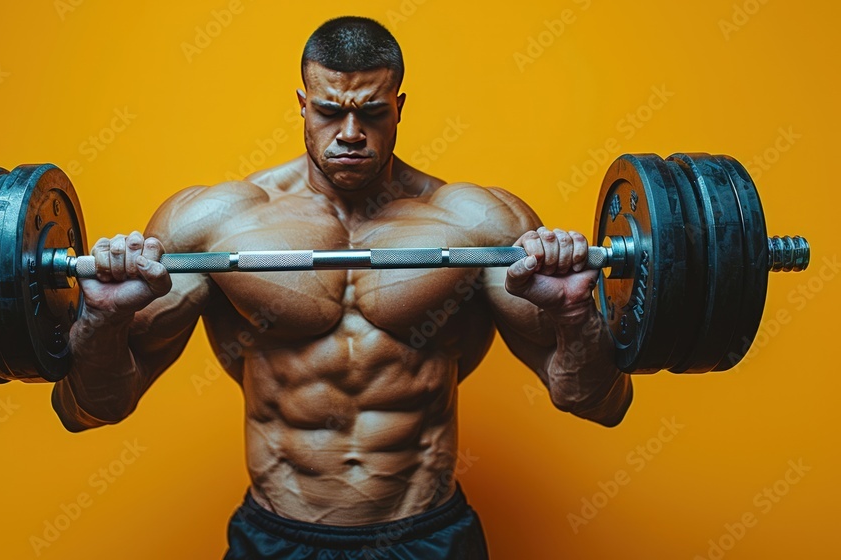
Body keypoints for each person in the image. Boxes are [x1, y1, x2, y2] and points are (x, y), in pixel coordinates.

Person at [51, 16, 632, 559]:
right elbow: (92, 408)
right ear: (302, 105)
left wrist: (575, 312)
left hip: (427, 534)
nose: (350, 133)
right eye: (329, 111)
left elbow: (598, 402)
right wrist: (102, 317)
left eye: (373, 113)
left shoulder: (480, 224)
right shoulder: (211, 224)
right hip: (277, 535)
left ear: (399, 107)